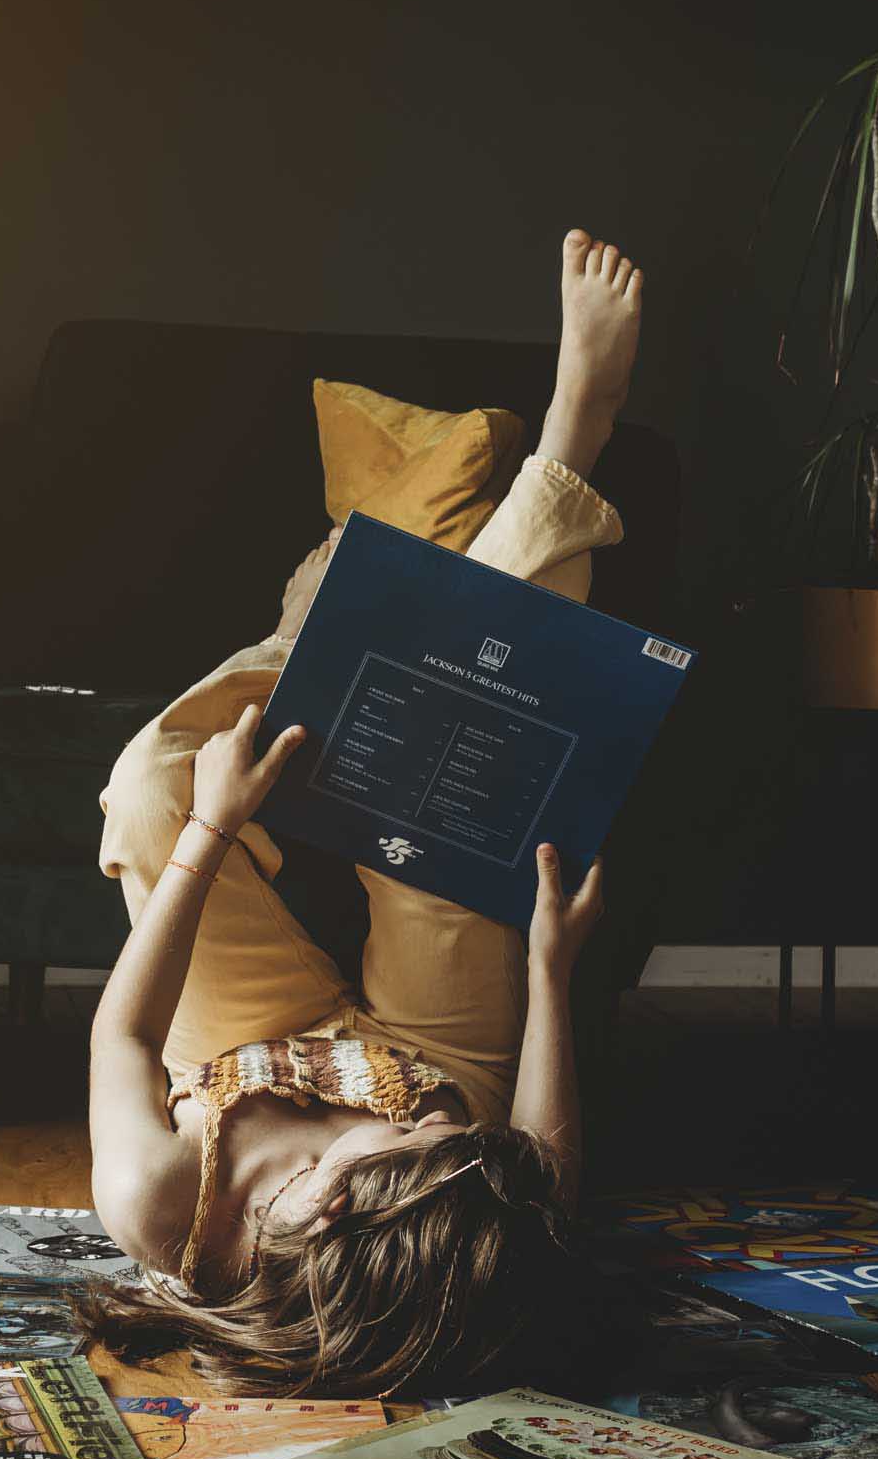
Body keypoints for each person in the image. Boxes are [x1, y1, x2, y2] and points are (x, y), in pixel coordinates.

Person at [85, 229, 643, 1398]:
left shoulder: (162, 1207)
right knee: (458, 730)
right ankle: (570, 440)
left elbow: (122, 1043)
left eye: (424, 1144)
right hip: (436, 1050)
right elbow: (543, 1172)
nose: (459, 1139)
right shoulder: (469, 1220)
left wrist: (211, 828)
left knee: (148, 789)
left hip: (239, 1047)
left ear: (329, 1200)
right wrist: (548, 969)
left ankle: (324, 618)